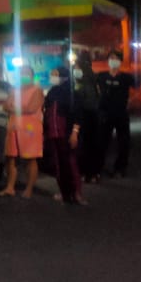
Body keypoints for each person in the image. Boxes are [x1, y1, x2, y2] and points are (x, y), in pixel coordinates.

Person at [1, 64, 44, 198]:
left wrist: (13, 108)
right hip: (13, 127)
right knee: (10, 158)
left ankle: (29, 189)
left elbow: (31, 108)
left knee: (30, 159)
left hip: (30, 130)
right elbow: (4, 106)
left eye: (26, 73)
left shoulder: (37, 90)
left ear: (32, 76)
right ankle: (10, 187)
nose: (24, 76)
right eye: (21, 73)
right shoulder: (15, 90)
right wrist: (17, 108)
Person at [43, 67, 84, 204]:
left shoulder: (72, 93)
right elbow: (47, 113)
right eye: (52, 74)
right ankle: (64, 192)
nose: (53, 77)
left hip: (66, 133)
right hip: (53, 134)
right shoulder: (52, 92)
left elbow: (77, 115)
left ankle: (76, 193)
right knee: (58, 165)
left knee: (71, 163)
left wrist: (75, 133)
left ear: (63, 76)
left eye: (55, 75)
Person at [96, 50, 138, 178]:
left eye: (115, 58)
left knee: (123, 142)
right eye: (111, 58)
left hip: (121, 113)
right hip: (105, 114)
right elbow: (95, 88)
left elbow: (137, 89)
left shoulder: (126, 77)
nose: (113, 60)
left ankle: (120, 168)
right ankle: (98, 167)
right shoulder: (101, 76)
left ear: (120, 62)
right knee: (102, 141)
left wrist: (129, 101)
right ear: (108, 61)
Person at [72, 51, 103, 183]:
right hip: (86, 118)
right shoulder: (80, 81)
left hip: (88, 119)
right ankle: (87, 172)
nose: (75, 70)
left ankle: (91, 172)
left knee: (89, 146)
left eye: (77, 67)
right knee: (86, 147)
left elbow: (90, 103)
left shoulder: (87, 82)